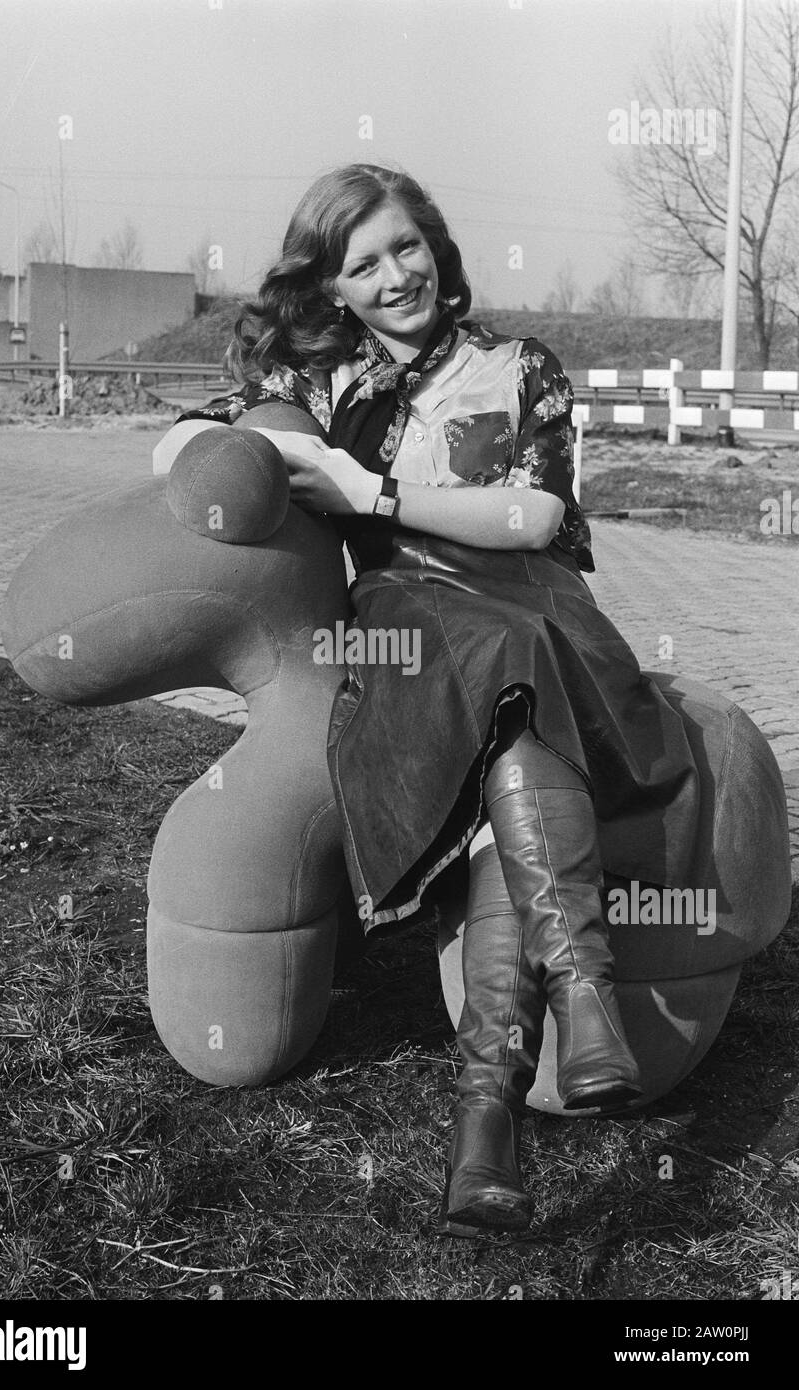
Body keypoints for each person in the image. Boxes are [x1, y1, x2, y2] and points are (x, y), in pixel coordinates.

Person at [156, 164, 702, 1238]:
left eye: (406, 246)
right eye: (363, 263)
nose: (394, 273)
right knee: (505, 685)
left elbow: (541, 516)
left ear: (436, 244)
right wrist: (256, 449)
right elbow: (181, 445)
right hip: (416, 631)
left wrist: (375, 494)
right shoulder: (328, 388)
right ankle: (580, 997)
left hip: (536, 608)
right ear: (337, 287)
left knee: (515, 685)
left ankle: (485, 1129)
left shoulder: (518, 364)